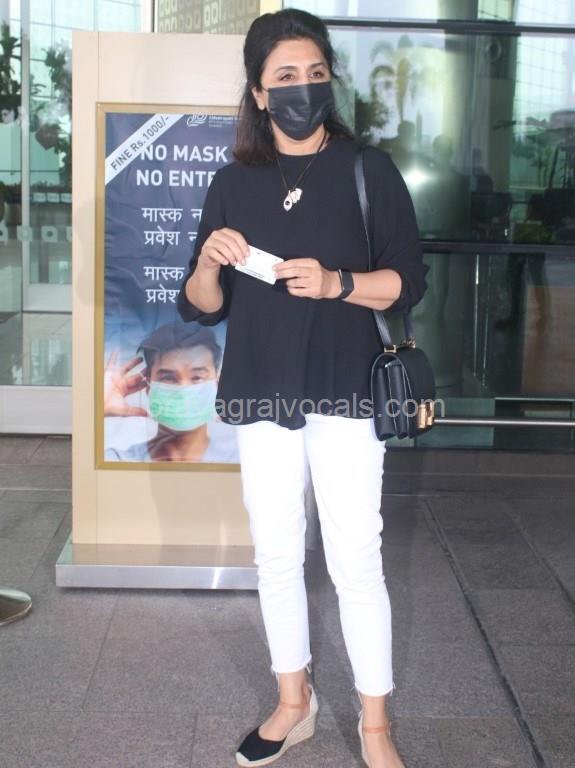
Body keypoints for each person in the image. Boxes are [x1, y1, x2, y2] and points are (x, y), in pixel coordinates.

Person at [177, 9, 429, 767]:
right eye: (284, 76)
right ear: (258, 93)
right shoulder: (233, 182)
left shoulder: (367, 170)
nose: (302, 88)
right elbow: (201, 305)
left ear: (330, 83)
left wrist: (336, 283)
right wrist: (209, 262)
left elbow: (406, 283)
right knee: (277, 555)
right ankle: (295, 703)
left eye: (315, 73)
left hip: (347, 389)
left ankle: (375, 726)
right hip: (262, 391)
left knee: (356, 558)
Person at [104, 322, 238, 463]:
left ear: (217, 386)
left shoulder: (239, 463)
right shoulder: (118, 461)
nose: (183, 391)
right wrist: (99, 406)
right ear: (149, 387)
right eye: (168, 378)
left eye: (197, 377)